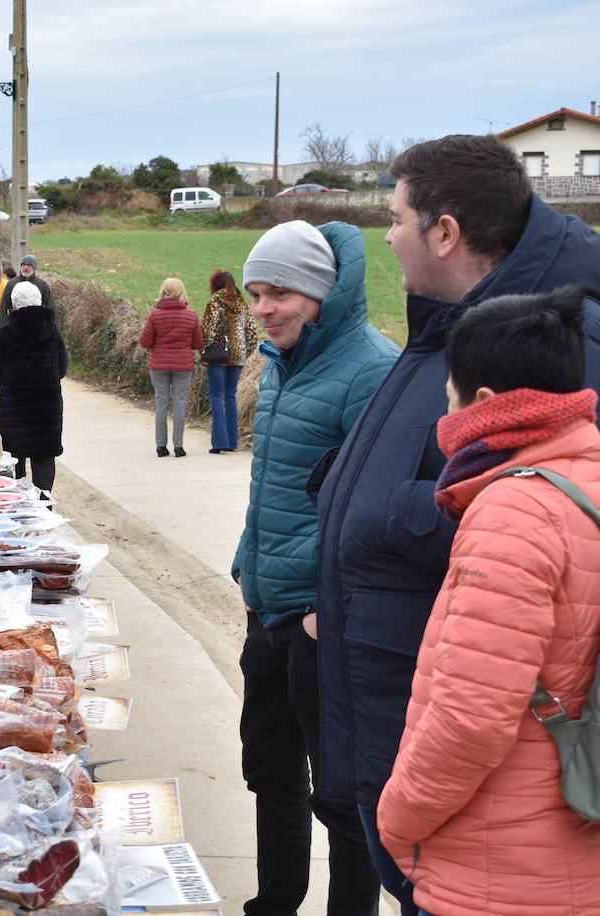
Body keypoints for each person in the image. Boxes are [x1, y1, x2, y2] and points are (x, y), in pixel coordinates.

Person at [311, 134, 600, 914]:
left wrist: (386, 511)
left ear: (446, 233)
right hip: (409, 700)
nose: (387, 234)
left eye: (397, 217)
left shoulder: (561, 334)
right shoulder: (456, 321)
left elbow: (557, 514)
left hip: (489, 801)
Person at [376, 289, 600, 916]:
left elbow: (472, 716)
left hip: (500, 869)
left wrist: (398, 818)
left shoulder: (515, 510)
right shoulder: (588, 479)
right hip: (577, 843)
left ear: (483, 404)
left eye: (448, 392)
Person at [234, 219, 399, 916]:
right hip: (268, 609)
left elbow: (378, 514)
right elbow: (274, 485)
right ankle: (275, 903)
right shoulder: (278, 362)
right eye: (257, 293)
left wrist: (324, 611)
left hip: (324, 623)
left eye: (283, 293)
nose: (266, 309)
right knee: (272, 772)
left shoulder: (373, 370)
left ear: (324, 294)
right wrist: (248, 568)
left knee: (342, 794)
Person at [0, 282, 67, 494]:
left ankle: (17, 506)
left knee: (13, 460)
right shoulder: (53, 334)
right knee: (44, 459)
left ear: (14, 305)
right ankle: (44, 508)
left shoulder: (6, 334)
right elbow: (62, 368)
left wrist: (10, 380)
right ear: (40, 302)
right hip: (47, 409)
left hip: (15, 410)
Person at [139, 278, 203, 457]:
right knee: (180, 401)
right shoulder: (191, 315)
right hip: (183, 364)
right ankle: (179, 446)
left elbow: (145, 342)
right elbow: (198, 343)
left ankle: (161, 446)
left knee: (161, 402)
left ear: (163, 291)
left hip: (159, 364)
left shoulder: (155, 315)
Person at [200, 270, 261, 453]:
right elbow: (252, 333)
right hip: (238, 356)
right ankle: (232, 442)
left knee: (217, 396)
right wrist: (244, 351)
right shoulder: (242, 304)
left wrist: (204, 351)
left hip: (218, 356)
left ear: (215, 285)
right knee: (230, 396)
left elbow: (208, 332)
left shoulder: (214, 303)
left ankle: (219, 442)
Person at [0, 254, 54, 326]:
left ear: (34, 267)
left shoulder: (42, 285)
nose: (25, 267)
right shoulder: (12, 284)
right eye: (23, 265)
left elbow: (51, 307)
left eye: (29, 265)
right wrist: (1, 328)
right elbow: (3, 307)